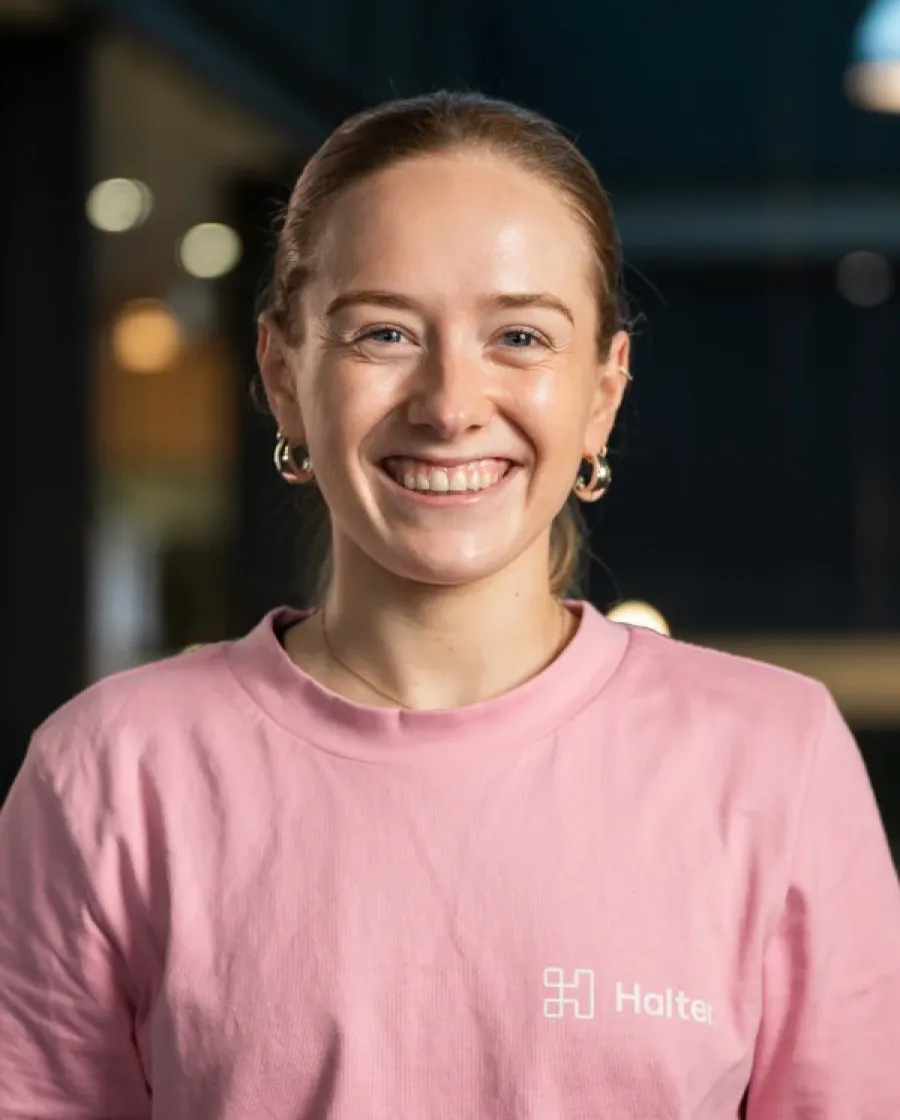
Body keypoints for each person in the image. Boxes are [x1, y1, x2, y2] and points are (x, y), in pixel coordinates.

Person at [1, 91, 899, 1120]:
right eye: (383, 332)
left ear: (602, 392)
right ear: (284, 373)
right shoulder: (111, 774)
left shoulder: (773, 760)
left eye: (519, 336)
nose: (449, 405)